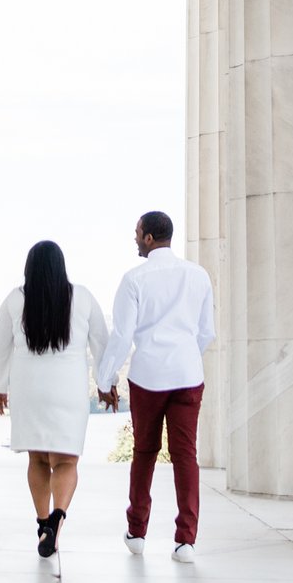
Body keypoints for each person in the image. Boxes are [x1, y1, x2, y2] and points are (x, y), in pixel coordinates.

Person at [93, 209, 215, 562]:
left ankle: (137, 532)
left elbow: (122, 336)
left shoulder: (134, 279)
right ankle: (186, 540)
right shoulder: (198, 275)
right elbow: (206, 331)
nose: (134, 239)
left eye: (136, 233)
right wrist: (187, 356)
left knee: (145, 451)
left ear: (148, 237)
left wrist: (105, 380)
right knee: (185, 455)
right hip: (188, 374)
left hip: (148, 375)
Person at [0, 240, 111, 565]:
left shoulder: (16, 299)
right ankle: (58, 517)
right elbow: (101, 341)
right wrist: (105, 383)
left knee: (38, 460)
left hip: (29, 389)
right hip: (67, 389)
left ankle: (43, 524)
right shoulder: (81, 297)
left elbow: (0, 347)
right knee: (66, 462)